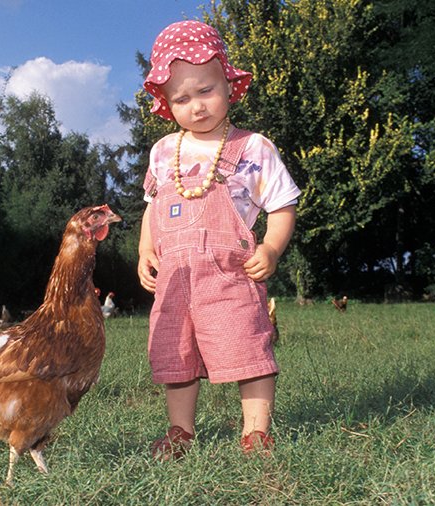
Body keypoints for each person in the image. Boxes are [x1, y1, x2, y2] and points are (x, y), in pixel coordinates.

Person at [137, 20, 300, 459]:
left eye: (206, 91)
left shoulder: (253, 148)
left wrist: (270, 247)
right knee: (177, 354)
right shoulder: (162, 151)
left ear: (230, 84)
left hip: (228, 276)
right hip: (174, 279)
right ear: (166, 103)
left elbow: (283, 205)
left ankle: (256, 430)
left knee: (247, 346)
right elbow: (152, 206)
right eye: (182, 98)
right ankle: (180, 429)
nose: (197, 106)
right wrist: (144, 250)